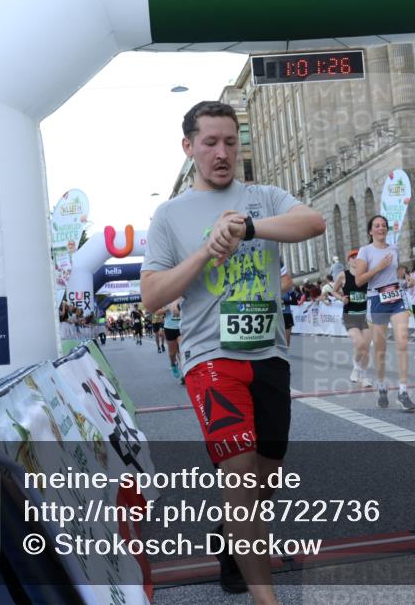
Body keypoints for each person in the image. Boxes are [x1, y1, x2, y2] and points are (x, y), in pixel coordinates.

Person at [140, 100, 325, 604]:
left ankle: (229, 538)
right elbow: (152, 296)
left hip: (269, 356)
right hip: (210, 359)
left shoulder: (264, 197)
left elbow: (314, 223)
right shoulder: (170, 215)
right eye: (210, 143)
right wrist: (206, 250)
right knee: (239, 476)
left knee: (265, 480)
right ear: (189, 147)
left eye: (229, 142)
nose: (221, 153)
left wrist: (249, 227)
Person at [354, 215, 415, 412]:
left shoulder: (394, 248)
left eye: (383, 225)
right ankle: (381, 385)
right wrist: (378, 267)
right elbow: (359, 280)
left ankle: (403, 392)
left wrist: (406, 280)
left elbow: (395, 273)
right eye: (377, 226)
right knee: (380, 349)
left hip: (397, 299)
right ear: (370, 231)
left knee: (402, 342)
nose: (381, 228)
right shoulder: (365, 251)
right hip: (377, 301)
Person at [333, 249, 372, 387]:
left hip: (364, 315)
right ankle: (356, 365)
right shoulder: (343, 275)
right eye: (353, 257)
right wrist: (341, 298)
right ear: (348, 261)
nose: (356, 259)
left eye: (358, 257)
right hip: (349, 315)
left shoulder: (366, 275)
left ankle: (363, 376)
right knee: (360, 343)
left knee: (365, 347)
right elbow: (334, 291)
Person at [162, 302, 182, 381]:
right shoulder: (166, 298)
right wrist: (168, 307)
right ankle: (173, 364)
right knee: (172, 352)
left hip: (181, 327)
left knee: (182, 350)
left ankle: (185, 373)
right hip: (169, 328)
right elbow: (157, 312)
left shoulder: (182, 296)